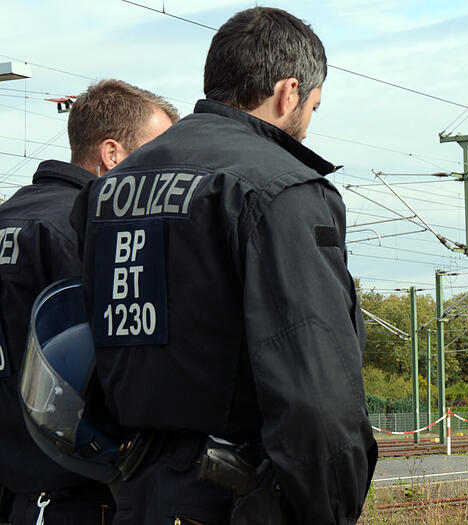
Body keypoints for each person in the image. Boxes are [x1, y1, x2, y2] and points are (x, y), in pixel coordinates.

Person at [69, 7, 377, 525]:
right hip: (238, 498)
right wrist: (333, 509)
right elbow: (316, 390)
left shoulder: (106, 191)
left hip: (135, 491)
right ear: (289, 92)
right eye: (313, 107)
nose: (307, 124)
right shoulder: (282, 189)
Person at [0, 79, 176, 524]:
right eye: (155, 154)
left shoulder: (11, 217)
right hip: (75, 491)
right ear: (112, 154)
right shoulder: (88, 230)